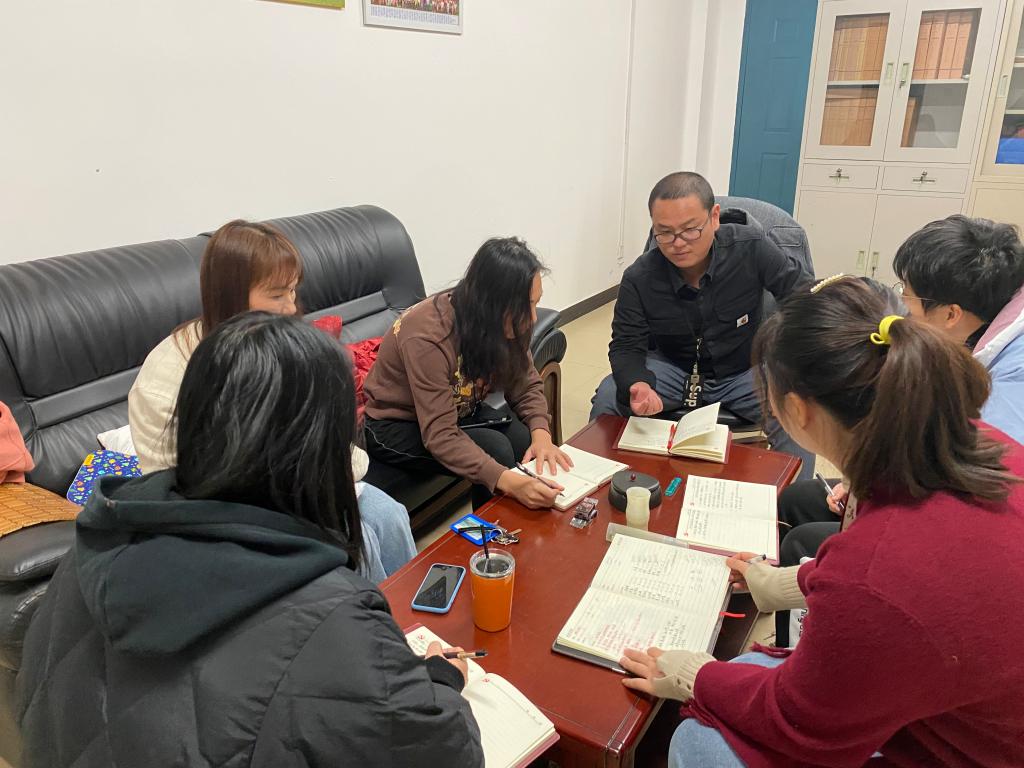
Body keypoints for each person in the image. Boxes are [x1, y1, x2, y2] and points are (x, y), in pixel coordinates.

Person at [17, 313, 484, 768]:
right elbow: (450, 751)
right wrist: (442, 680)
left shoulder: (88, 550)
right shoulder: (331, 617)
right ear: (320, 452)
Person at [617, 277, 1024, 767]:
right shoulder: (974, 440)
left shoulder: (879, 571)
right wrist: (789, 582)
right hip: (968, 704)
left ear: (796, 409)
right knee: (749, 665)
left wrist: (696, 676)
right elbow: (906, 584)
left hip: (968, 750)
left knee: (698, 743)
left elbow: (798, 721)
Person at [128, 219, 415, 582]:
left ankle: (409, 612)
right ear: (231, 296)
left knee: (389, 515)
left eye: (293, 292)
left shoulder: (284, 348)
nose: (291, 308)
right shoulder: (167, 378)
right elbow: (180, 490)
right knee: (363, 545)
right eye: (278, 295)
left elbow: (330, 444)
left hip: (302, 490)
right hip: (230, 513)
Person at [776, 217, 1024, 602]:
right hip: (937, 483)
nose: (903, 310)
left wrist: (871, 489)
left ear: (951, 314)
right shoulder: (984, 330)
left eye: (907, 296)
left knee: (805, 542)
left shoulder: (1008, 392)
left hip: (963, 537)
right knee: (800, 498)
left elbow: (965, 496)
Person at [590, 172, 815, 478]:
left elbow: (802, 297)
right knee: (609, 393)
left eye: (690, 230)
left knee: (799, 409)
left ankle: (795, 501)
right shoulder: (639, 277)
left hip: (744, 370)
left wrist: (790, 363)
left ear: (714, 217)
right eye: (664, 232)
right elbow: (626, 345)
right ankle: (600, 485)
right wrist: (637, 384)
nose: (678, 243)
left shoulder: (751, 247)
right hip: (672, 370)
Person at [363, 236, 570, 510]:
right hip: (397, 424)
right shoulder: (427, 336)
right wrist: (509, 482)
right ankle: (489, 533)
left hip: (457, 411)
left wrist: (542, 434)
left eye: (535, 303)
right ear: (492, 304)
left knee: (525, 439)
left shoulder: (505, 321)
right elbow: (440, 434)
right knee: (495, 449)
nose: (532, 317)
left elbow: (526, 383)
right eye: (525, 307)